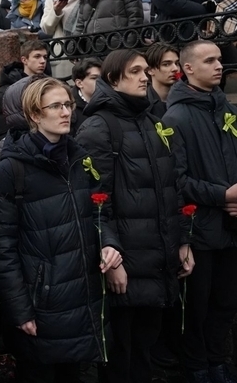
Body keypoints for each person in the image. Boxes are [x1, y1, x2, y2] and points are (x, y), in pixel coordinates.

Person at [0, 77, 120, 382]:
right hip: (42, 303)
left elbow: (99, 212)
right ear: (35, 114)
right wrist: (20, 309)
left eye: (68, 104)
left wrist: (109, 244)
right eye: (56, 106)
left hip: (83, 296)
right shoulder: (13, 169)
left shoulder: (80, 158)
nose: (66, 112)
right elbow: (1, 246)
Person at [75, 49, 187, 383]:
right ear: (113, 79)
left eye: (144, 71)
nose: (144, 77)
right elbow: (96, 202)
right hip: (125, 264)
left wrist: (181, 241)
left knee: (144, 349)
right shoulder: (99, 127)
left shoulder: (152, 119)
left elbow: (171, 186)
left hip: (156, 258)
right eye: (135, 71)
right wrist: (113, 260)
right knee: (121, 355)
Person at [162, 40, 237, 383]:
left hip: (230, 226)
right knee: (196, 308)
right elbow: (176, 181)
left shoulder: (226, 110)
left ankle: (218, 361)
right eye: (209, 61)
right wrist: (222, 195)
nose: (219, 65)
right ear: (188, 68)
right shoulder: (176, 117)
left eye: (220, 59)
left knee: (225, 303)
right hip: (199, 230)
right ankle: (197, 368)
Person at [144, 43, 180, 117]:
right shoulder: (143, 104)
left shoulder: (187, 98)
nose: (175, 69)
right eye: (166, 64)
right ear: (150, 70)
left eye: (176, 63)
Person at [71, 57, 102, 130]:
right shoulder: (69, 108)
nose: (101, 82)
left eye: (102, 78)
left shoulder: (110, 102)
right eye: (94, 78)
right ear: (79, 83)